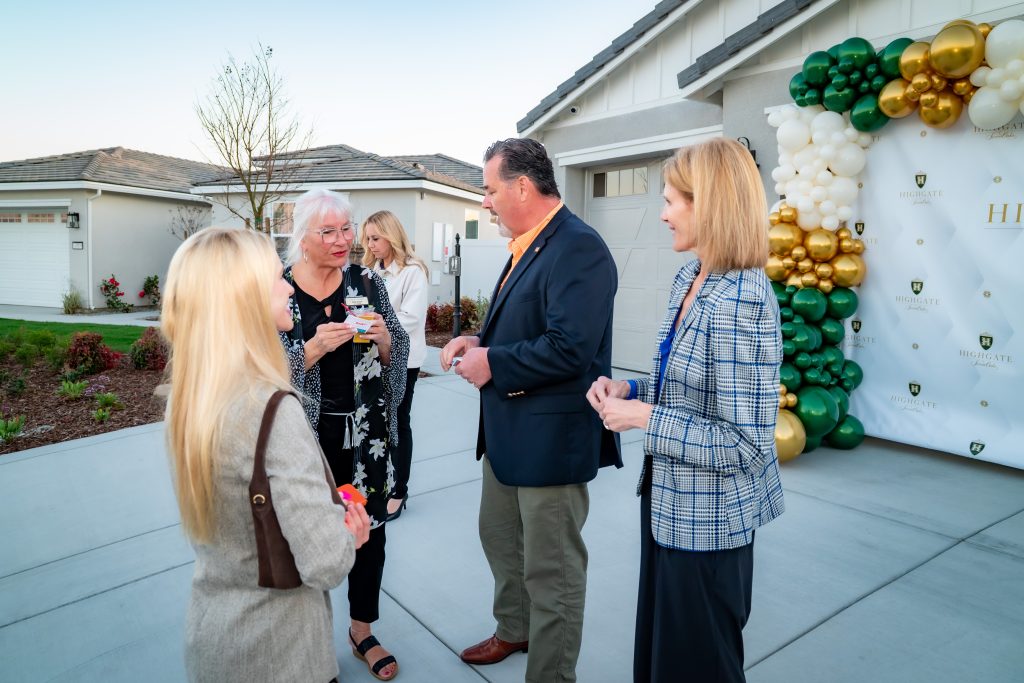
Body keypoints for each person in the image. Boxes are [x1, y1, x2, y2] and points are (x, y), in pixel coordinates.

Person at [586, 138, 785, 683]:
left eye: (673, 200)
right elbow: (685, 383)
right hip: (668, 509)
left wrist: (645, 419)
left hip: (710, 530)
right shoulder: (691, 278)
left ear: (712, 205)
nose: (663, 213)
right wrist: (630, 388)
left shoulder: (742, 300)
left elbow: (745, 444)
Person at [441, 138, 622, 682]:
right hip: (508, 438)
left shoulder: (578, 247)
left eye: (491, 190)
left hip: (550, 445)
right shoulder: (529, 244)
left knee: (554, 573)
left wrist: (494, 363)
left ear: (523, 186)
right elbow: (530, 326)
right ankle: (513, 628)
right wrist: (478, 340)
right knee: (499, 540)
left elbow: (571, 347)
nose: (485, 203)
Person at [162, 227, 371, 683]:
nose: (289, 287)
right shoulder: (272, 410)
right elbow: (325, 563)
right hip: (280, 654)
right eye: (278, 278)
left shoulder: (194, 398)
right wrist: (350, 533)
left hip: (215, 641)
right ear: (246, 297)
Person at [279, 189, 409, 681]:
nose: (342, 241)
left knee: (367, 534)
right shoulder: (281, 291)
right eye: (327, 231)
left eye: (346, 229)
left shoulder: (367, 281)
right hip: (307, 445)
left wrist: (387, 341)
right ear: (303, 238)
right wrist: (307, 353)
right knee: (303, 539)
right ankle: (306, 639)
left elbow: (399, 348)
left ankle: (361, 629)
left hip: (365, 441)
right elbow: (260, 374)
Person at [360, 210, 429, 521]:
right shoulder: (370, 270)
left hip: (404, 358)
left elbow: (411, 318)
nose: (371, 244)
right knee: (377, 422)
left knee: (399, 421)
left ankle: (399, 491)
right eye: (367, 239)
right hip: (373, 357)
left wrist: (375, 325)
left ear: (392, 236)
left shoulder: (412, 271)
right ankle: (380, 482)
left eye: (376, 238)